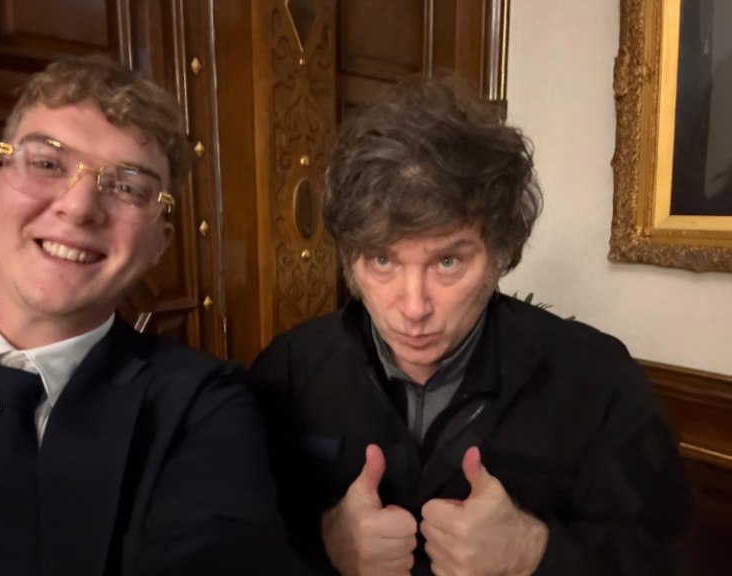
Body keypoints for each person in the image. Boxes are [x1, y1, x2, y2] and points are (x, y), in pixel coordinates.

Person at [250, 76, 692, 576]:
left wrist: (532, 553)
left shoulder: (599, 383)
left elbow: (669, 561)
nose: (413, 307)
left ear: (500, 253)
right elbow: (239, 542)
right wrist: (325, 540)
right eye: (382, 260)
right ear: (350, 261)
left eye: (447, 263)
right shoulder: (287, 371)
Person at [0, 56, 303, 576]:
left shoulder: (201, 408)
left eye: (127, 187)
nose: (80, 207)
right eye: (48, 164)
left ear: (158, 246)